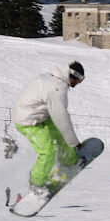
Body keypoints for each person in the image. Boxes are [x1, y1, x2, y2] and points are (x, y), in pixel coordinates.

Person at [12, 61, 85, 198]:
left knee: (61, 136)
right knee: (48, 151)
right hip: (27, 120)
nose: (77, 85)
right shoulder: (56, 88)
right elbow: (61, 118)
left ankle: (69, 160)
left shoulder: (56, 80)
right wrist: (74, 142)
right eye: (78, 81)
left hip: (41, 115)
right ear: (72, 76)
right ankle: (36, 184)